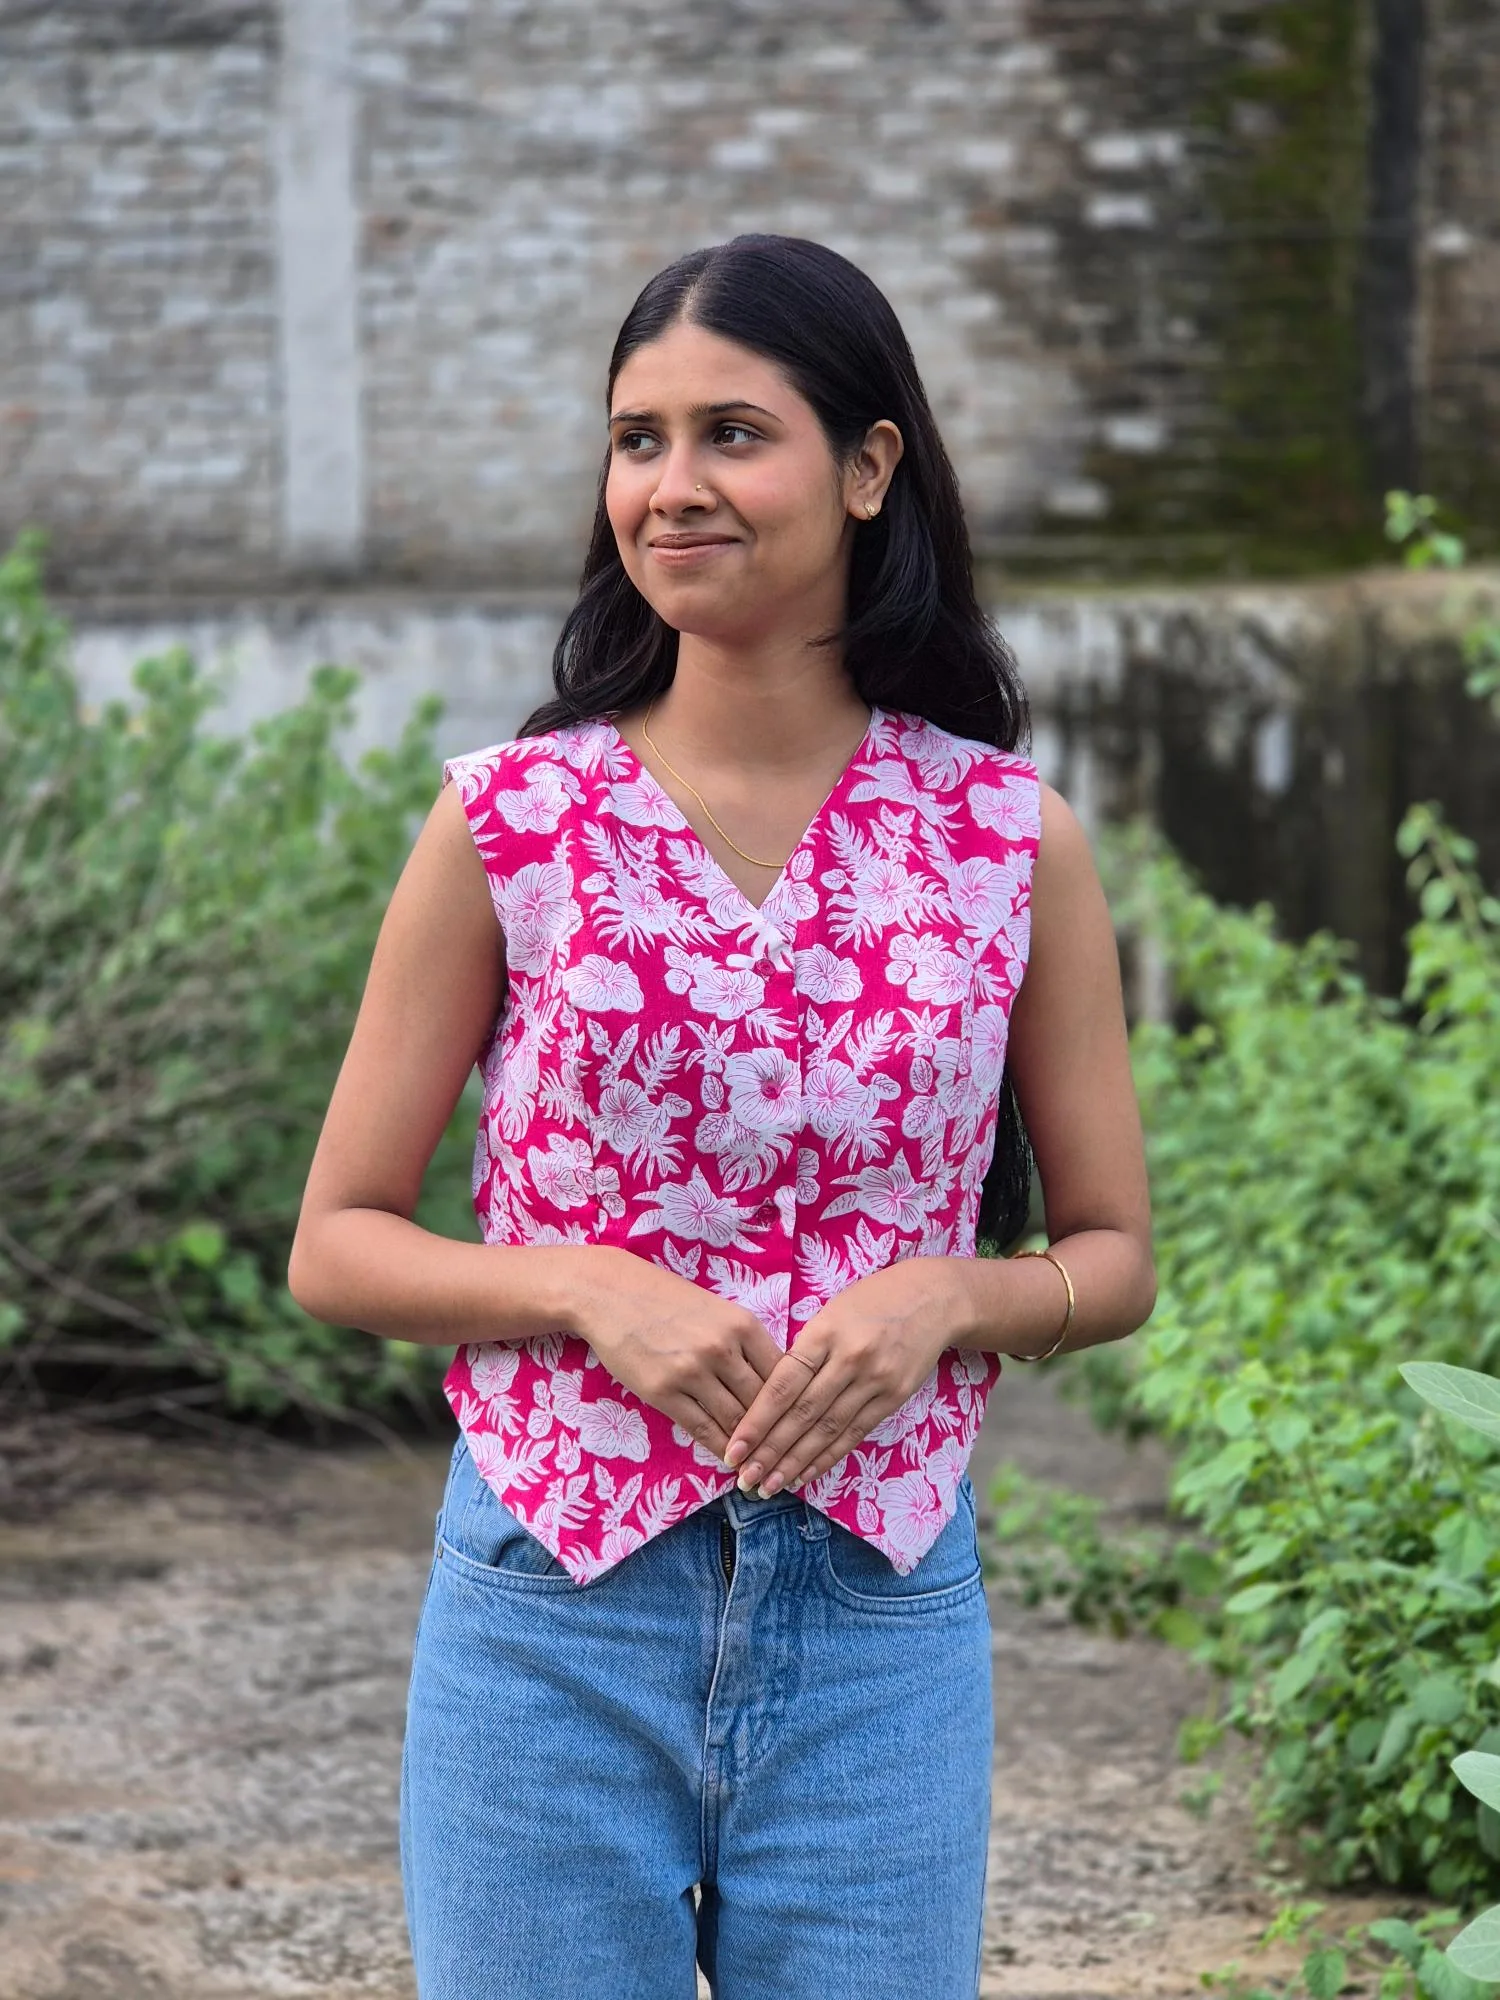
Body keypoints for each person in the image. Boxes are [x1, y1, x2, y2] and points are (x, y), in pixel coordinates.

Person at [288, 233, 1155, 2000]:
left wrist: (950, 1296)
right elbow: (338, 1243)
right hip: (550, 1613)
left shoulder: (1009, 840)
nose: (670, 486)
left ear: (868, 466)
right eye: (637, 439)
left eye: (731, 434)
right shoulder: (511, 823)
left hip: (877, 1624)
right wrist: (585, 1284)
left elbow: (1114, 1254)